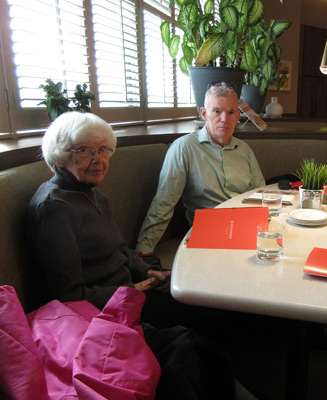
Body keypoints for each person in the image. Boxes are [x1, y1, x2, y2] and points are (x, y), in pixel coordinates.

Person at [25, 111, 236, 400]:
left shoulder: (92, 193)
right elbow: (70, 295)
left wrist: (148, 272)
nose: (98, 160)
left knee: (212, 298)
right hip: (107, 309)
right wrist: (134, 289)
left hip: (132, 290)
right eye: (85, 150)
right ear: (61, 155)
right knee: (203, 324)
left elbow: (121, 249)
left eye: (104, 150)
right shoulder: (54, 208)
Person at [136, 82, 265, 256]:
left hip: (246, 228)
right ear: (204, 114)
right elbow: (164, 202)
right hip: (208, 232)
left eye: (231, 112)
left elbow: (261, 195)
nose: (224, 119)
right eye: (217, 111)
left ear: (237, 116)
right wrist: (144, 250)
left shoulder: (244, 150)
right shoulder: (184, 148)